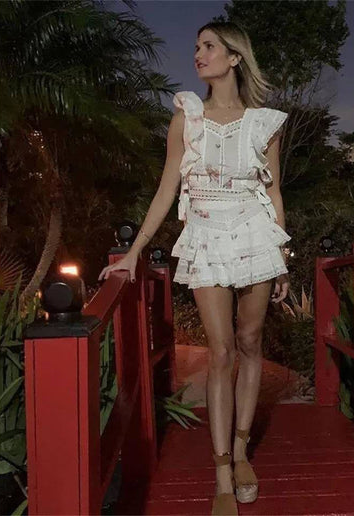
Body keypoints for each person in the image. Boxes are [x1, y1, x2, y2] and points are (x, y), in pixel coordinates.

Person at [98, 21, 291, 516]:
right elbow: (167, 187)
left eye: (209, 47)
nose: (198, 54)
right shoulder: (187, 116)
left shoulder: (264, 123)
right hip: (205, 236)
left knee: (250, 342)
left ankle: (242, 452)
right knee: (220, 349)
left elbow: (273, 192)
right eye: (197, 47)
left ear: (235, 58)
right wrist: (136, 250)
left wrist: (282, 258)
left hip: (256, 236)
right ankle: (222, 470)